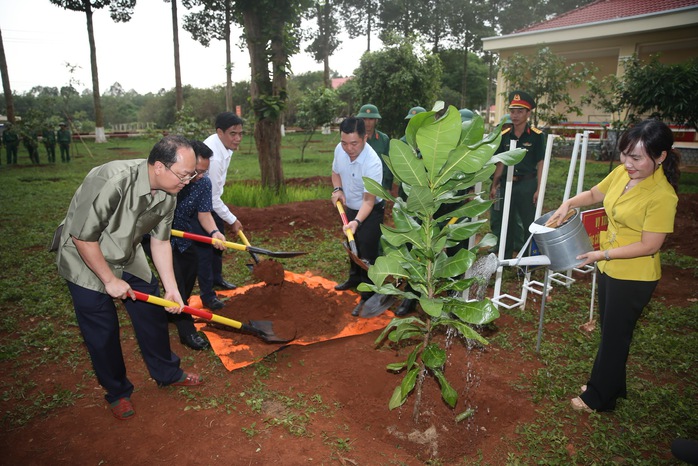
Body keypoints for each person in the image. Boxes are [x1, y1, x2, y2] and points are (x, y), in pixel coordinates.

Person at [54, 135, 204, 421]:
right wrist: (109, 280)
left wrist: (172, 290)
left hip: (127, 254)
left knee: (152, 314)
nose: (188, 181)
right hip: (85, 259)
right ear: (159, 166)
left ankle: (167, 372)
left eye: (192, 174)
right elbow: (82, 236)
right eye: (184, 174)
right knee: (102, 330)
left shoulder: (169, 194)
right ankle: (118, 392)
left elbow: (160, 243)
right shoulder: (112, 180)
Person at [547, 119, 680, 413]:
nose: (628, 163)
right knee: (611, 331)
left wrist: (601, 255)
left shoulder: (662, 196)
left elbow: (650, 245)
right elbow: (596, 194)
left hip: (633, 276)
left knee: (614, 338)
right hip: (610, 268)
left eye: (636, 158)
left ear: (660, 157)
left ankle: (598, 397)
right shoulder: (622, 174)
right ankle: (613, 385)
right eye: (625, 154)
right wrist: (569, 203)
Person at [142, 140, 227, 350]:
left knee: (191, 268)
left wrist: (215, 232)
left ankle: (177, 305)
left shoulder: (202, 183)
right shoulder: (171, 180)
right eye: (195, 171)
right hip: (156, 235)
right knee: (176, 278)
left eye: (203, 172)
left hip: (181, 234)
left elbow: (204, 214)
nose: (197, 177)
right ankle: (186, 330)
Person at [331, 117, 384, 315]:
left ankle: (367, 296)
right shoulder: (340, 149)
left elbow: (369, 201)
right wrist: (338, 189)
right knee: (352, 249)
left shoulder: (372, 163)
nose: (348, 148)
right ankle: (353, 279)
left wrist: (356, 221)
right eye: (344, 143)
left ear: (365, 138)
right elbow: (335, 172)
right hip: (349, 209)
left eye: (354, 143)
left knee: (366, 254)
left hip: (369, 213)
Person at [489, 91, 546, 259]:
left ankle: (528, 261)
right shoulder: (505, 136)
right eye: (512, 111)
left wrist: (539, 188)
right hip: (506, 184)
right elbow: (500, 162)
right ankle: (504, 259)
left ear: (528, 113)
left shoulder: (536, 136)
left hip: (527, 185)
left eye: (520, 111)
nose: (515, 115)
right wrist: (495, 185)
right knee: (505, 221)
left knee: (529, 222)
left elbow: (541, 162)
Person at [203, 112, 244, 291]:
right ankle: (208, 292)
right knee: (206, 249)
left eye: (240, 134)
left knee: (218, 242)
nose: (237, 139)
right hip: (201, 206)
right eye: (233, 134)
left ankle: (217, 279)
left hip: (211, 200)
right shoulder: (214, 157)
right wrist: (232, 220)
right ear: (220, 132)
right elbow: (212, 198)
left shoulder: (222, 144)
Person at [356, 104, 392, 194]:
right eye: (364, 119)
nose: (367, 122)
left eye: (371, 119)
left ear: (376, 120)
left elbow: (388, 164)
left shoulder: (384, 139)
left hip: (379, 184)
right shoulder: (354, 139)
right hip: (359, 184)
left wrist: (387, 186)